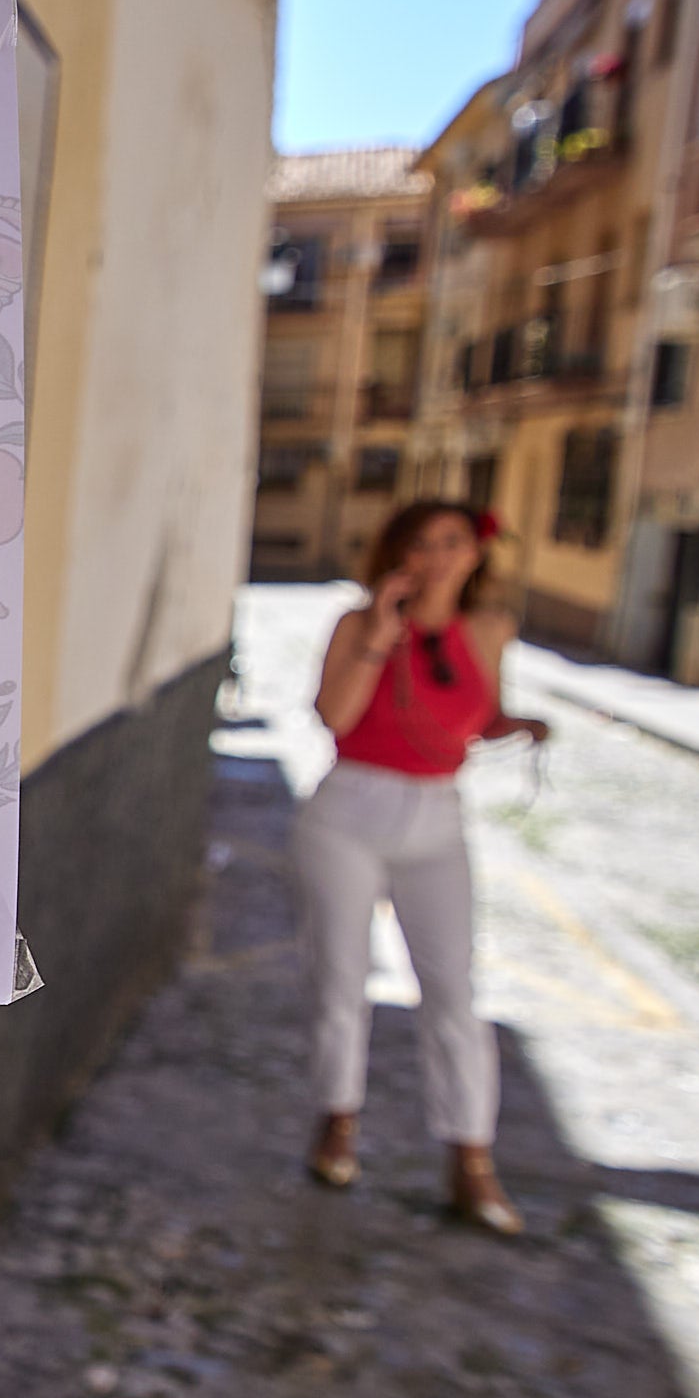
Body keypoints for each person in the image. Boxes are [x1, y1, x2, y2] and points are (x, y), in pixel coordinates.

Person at [296, 500, 550, 1236]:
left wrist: (516, 725)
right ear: (398, 554)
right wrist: (381, 634)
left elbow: (479, 712)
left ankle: (471, 1158)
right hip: (350, 810)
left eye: (453, 542)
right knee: (342, 979)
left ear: (475, 554)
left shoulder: (488, 629)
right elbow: (337, 716)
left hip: (438, 815)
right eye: (423, 543)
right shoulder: (358, 623)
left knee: (454, 990)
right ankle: (338, 1122)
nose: (439, 557)